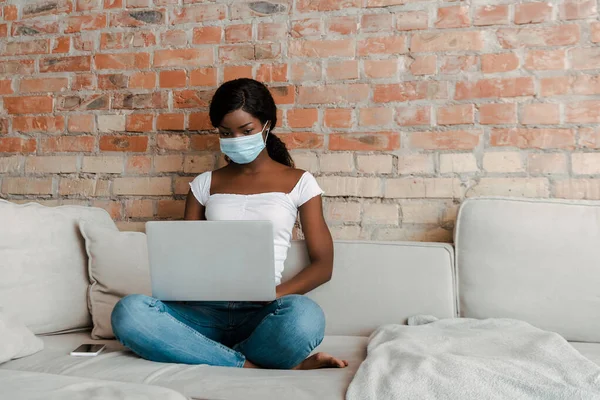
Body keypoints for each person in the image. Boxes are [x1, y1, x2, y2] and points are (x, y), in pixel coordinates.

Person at [111, 78, 348, 370]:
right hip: (203, 313)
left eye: (246, 131)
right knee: (129, 312)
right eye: (226, 133)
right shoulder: (203, 184)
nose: (236, 140)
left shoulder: (301, 182)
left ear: (267, 125)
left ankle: (206, 354)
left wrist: (274, 295)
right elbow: (188, 256)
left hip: (261, 313)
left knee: (306, 317)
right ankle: (246, 365)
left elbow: (323, 265)